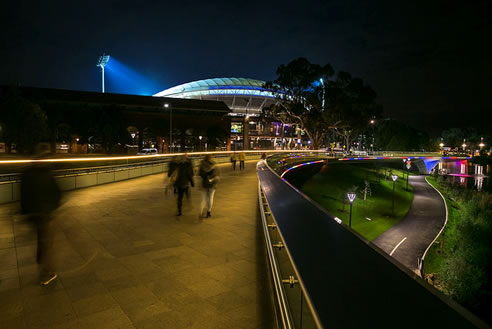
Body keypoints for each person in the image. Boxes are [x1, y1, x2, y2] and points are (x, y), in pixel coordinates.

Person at [21, 150, 62, 286]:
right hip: (44, 214)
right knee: (46, 243)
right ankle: (46, 273)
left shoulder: (27, 173)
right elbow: (57, 192)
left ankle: (43, 267)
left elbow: (23, 194)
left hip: (33, 214)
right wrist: (53, 207)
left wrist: (25, 211)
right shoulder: (46, 173)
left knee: (42, 242)